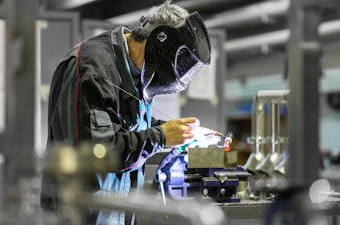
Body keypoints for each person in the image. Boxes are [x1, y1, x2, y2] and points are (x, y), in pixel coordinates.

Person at [40, 0, 211, 224]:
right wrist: (161, 136)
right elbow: (99, 152)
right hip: (81, 215)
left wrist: (175, 131)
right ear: (157, 44)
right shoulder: (94, 67)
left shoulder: (136, 71)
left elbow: (125, 126)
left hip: (116, 213)